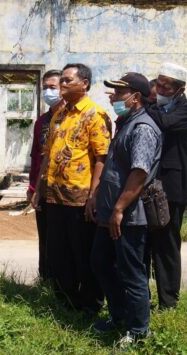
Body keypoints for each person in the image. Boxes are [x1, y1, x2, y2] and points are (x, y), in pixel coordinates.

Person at [91, 73, 161, 349]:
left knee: (131, 273)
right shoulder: (126, 123)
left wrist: (119, 208)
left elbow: (139, 173)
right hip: (110, 213)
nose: (113, 97)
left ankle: (139, 330)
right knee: (101, 263)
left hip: (129, 215)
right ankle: (119, 316)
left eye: (119, 93)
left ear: (136, 98)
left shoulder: (142, 128)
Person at [33, 63, 110, 313]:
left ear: (84, 84)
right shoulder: (60, 115)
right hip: (55, 197)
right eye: (62, 81)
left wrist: (93, 196)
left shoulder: (95, 115)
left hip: (80, 200)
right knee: (59, 253)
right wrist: (39, 188)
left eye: (67, 81)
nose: (62, 85)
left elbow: (102, 159)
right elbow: (48, 154)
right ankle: (66, 301)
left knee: (83, 254)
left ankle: (90, 304)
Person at [146, 62, 187, 309]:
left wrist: (146, 106)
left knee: (167, 243)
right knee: (150, 242)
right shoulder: (158, 108)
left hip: (173, 188)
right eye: (158, 83)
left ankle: (168, 301)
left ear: (179, 90)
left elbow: (167, 123)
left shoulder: (183, 110)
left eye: (165, 86)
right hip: (150, 184)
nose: (159, 88)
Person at [27, 69, 65, 280]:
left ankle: (65, 283)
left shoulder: (72, 118)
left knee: (64, 238)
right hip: (43, 188)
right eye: (45, 88)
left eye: (53, 87)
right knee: (46, 236)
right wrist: (32, 188)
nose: (48, 92)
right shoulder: (42, 122)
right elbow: (35, 157)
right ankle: (46, 279)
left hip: (67, 190)